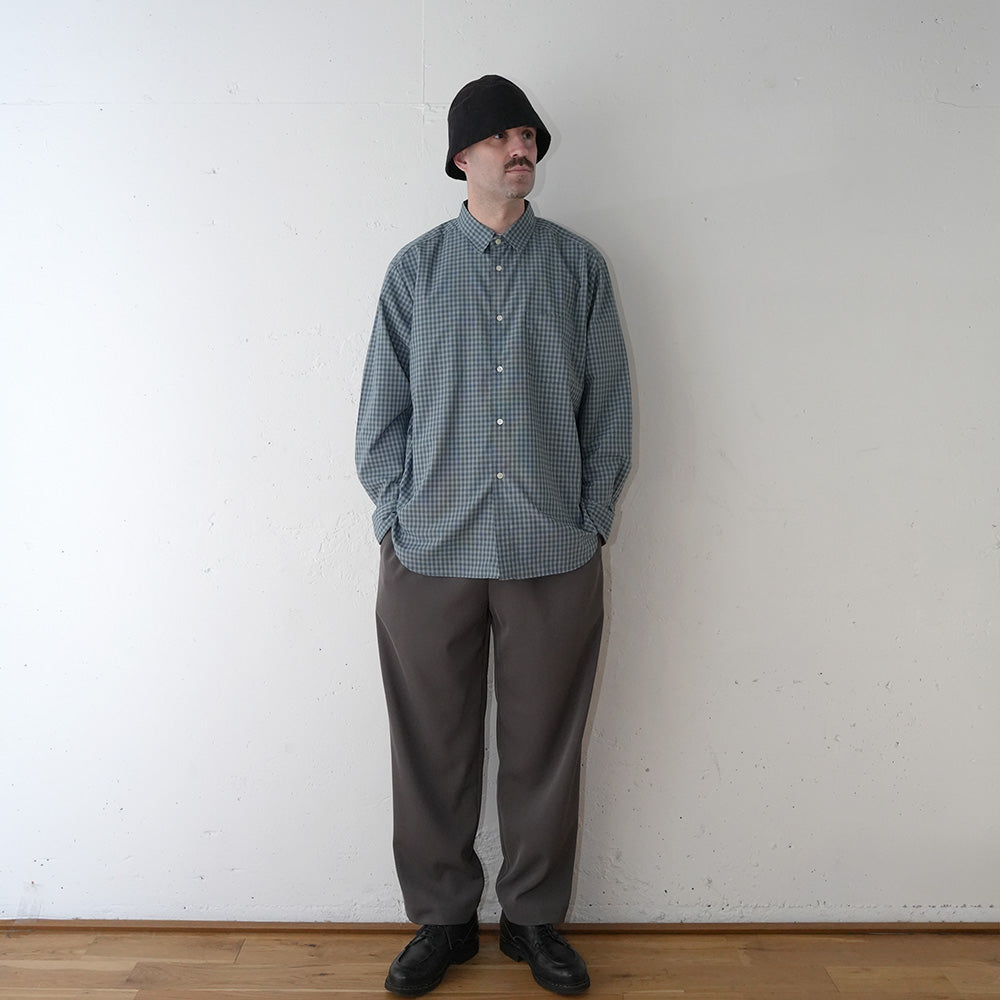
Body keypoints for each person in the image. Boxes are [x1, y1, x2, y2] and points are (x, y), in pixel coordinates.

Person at [355, 74, 632, 996]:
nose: (524, 149)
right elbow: (379, 418)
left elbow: (610, 410)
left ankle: (531, 920)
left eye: (530, 136)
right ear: (462, 155)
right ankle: (443, 921)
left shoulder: (579, 269)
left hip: (553, 551)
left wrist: (591, 521)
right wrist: (397, 517)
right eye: (505, 136)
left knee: (545, 746)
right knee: (429, 744)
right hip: (429, 551)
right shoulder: (415, 271)